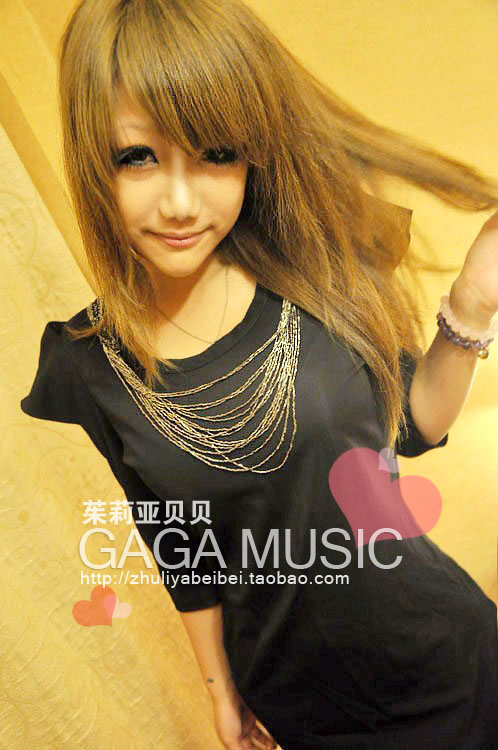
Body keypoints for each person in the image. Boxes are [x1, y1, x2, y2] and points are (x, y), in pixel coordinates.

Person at [20, 1, 498, 748]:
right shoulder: (91, 365)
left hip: (452, 662)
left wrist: (471, 305)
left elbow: (414, 425)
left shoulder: (314, 269)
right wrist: (222, 695)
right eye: (137, 157)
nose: (180, 203)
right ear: (92, 160)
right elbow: (180, 548)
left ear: (251, 151)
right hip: (308, 709)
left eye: (215, 153)